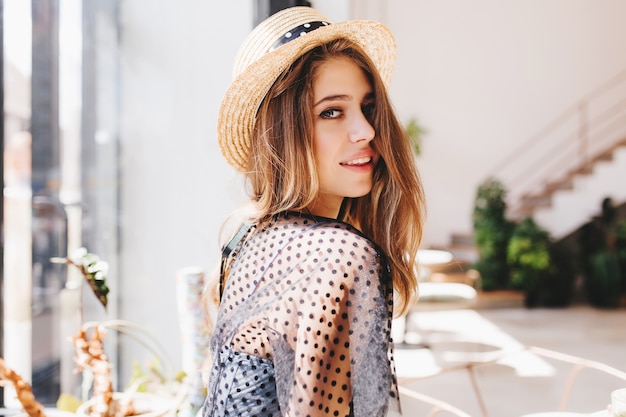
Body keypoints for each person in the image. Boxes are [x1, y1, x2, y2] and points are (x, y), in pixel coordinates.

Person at [202, 6, 425, 417]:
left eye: (368, 107)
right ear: (282, 132)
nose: (366, 131)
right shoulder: (338, 255)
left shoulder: (252, 235)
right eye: (331, 112)